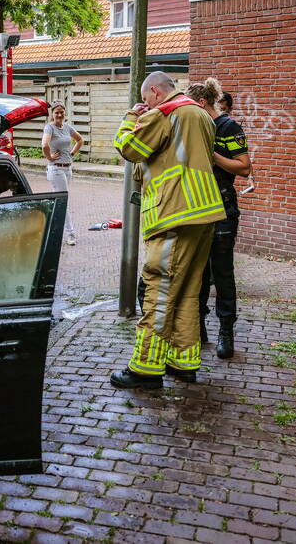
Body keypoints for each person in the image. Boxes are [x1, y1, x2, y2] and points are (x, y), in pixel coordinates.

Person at [110, 72, 225, 389]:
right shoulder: (201, 114)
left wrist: (133, 114)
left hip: (174, 213)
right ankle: (183, 362)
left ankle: (146, 368)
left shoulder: (165, 112)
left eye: (146, 98)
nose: (146, 104)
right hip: (205, 212)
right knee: (187, 290)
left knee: (159, 291)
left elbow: (128, 147)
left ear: (156, 92)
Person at [187, 79, 252, 359]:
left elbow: (244, 168)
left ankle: (226, 331)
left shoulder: (229, 127)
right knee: (197, 272)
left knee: (222, 272)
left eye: (191, 107)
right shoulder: (195, 127)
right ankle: (198, 327)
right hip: (197, 207)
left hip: (223, 207)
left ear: (202, 104)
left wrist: (211, 155)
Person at [41, 102, 83, 246]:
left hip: (67, 169)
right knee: (63, 202)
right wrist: (49, 158)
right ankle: (70, 233)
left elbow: (80, 140)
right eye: (56, 112)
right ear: (52, 114)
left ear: (65, 113)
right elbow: (44, 145)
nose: (59, 115)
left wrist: (72, 153)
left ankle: (48, 230)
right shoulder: (49, 127)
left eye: (61, 112)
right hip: (56, 169)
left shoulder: (67, 127)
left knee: (59, 202)